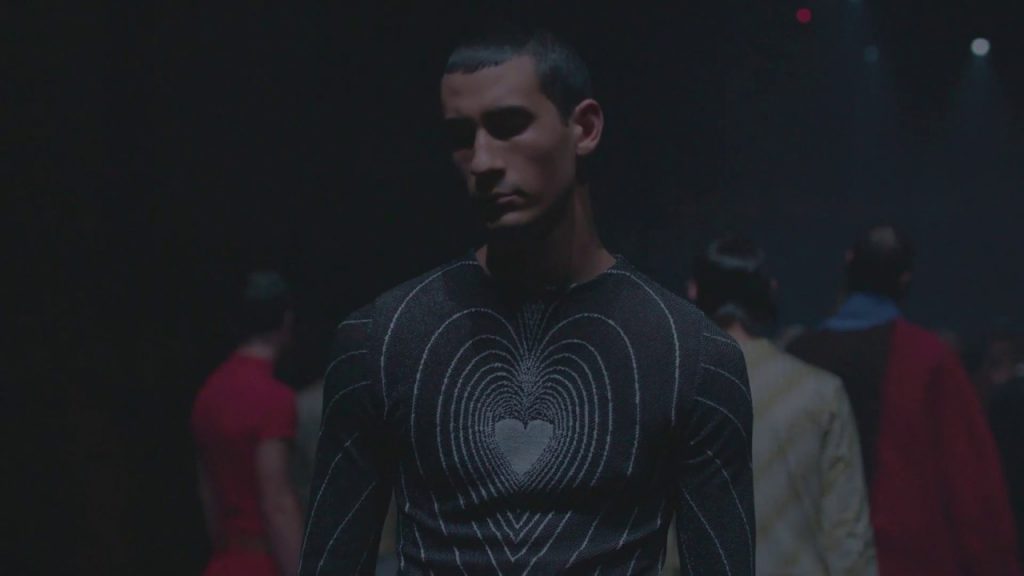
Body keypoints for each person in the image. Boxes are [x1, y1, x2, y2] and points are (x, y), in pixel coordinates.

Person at [299, 29, 754, 575]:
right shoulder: (380, 341)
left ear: (584, 128)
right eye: (461, 136)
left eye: (509, 125)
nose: (482, 161)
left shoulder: (693, 358)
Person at [787, 225, 1021, 575]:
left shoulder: (797, 357)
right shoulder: (929, 359)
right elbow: (970, 484)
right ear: (906, 279)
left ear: (848, 264)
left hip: (806, 557)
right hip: (903, 559)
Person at [686, 234, 877, 575]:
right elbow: (847, 535)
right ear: (769, 292)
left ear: (694, 291)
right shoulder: (820, 393)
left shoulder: (676, 391)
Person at [192, 272, 304, 576]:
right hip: (263, 564)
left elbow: (208, 495)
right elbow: (276, 503)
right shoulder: (274, 398)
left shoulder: (208, 394)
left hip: (224, 562)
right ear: (286, 320)